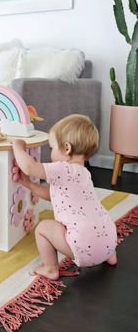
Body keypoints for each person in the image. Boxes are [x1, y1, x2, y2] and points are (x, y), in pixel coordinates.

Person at [12, 114, 117, 280]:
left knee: (42, 228)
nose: (51, 152)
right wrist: (29, 184)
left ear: (67, 149)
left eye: (52, 148)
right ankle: (108, 255)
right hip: (110, 242)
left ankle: (50, 268)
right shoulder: (84, 173)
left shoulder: (62, 168)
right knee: (97, 218)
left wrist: (17, 146)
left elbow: (30, 167)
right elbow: (56, 196)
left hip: (84, 249)